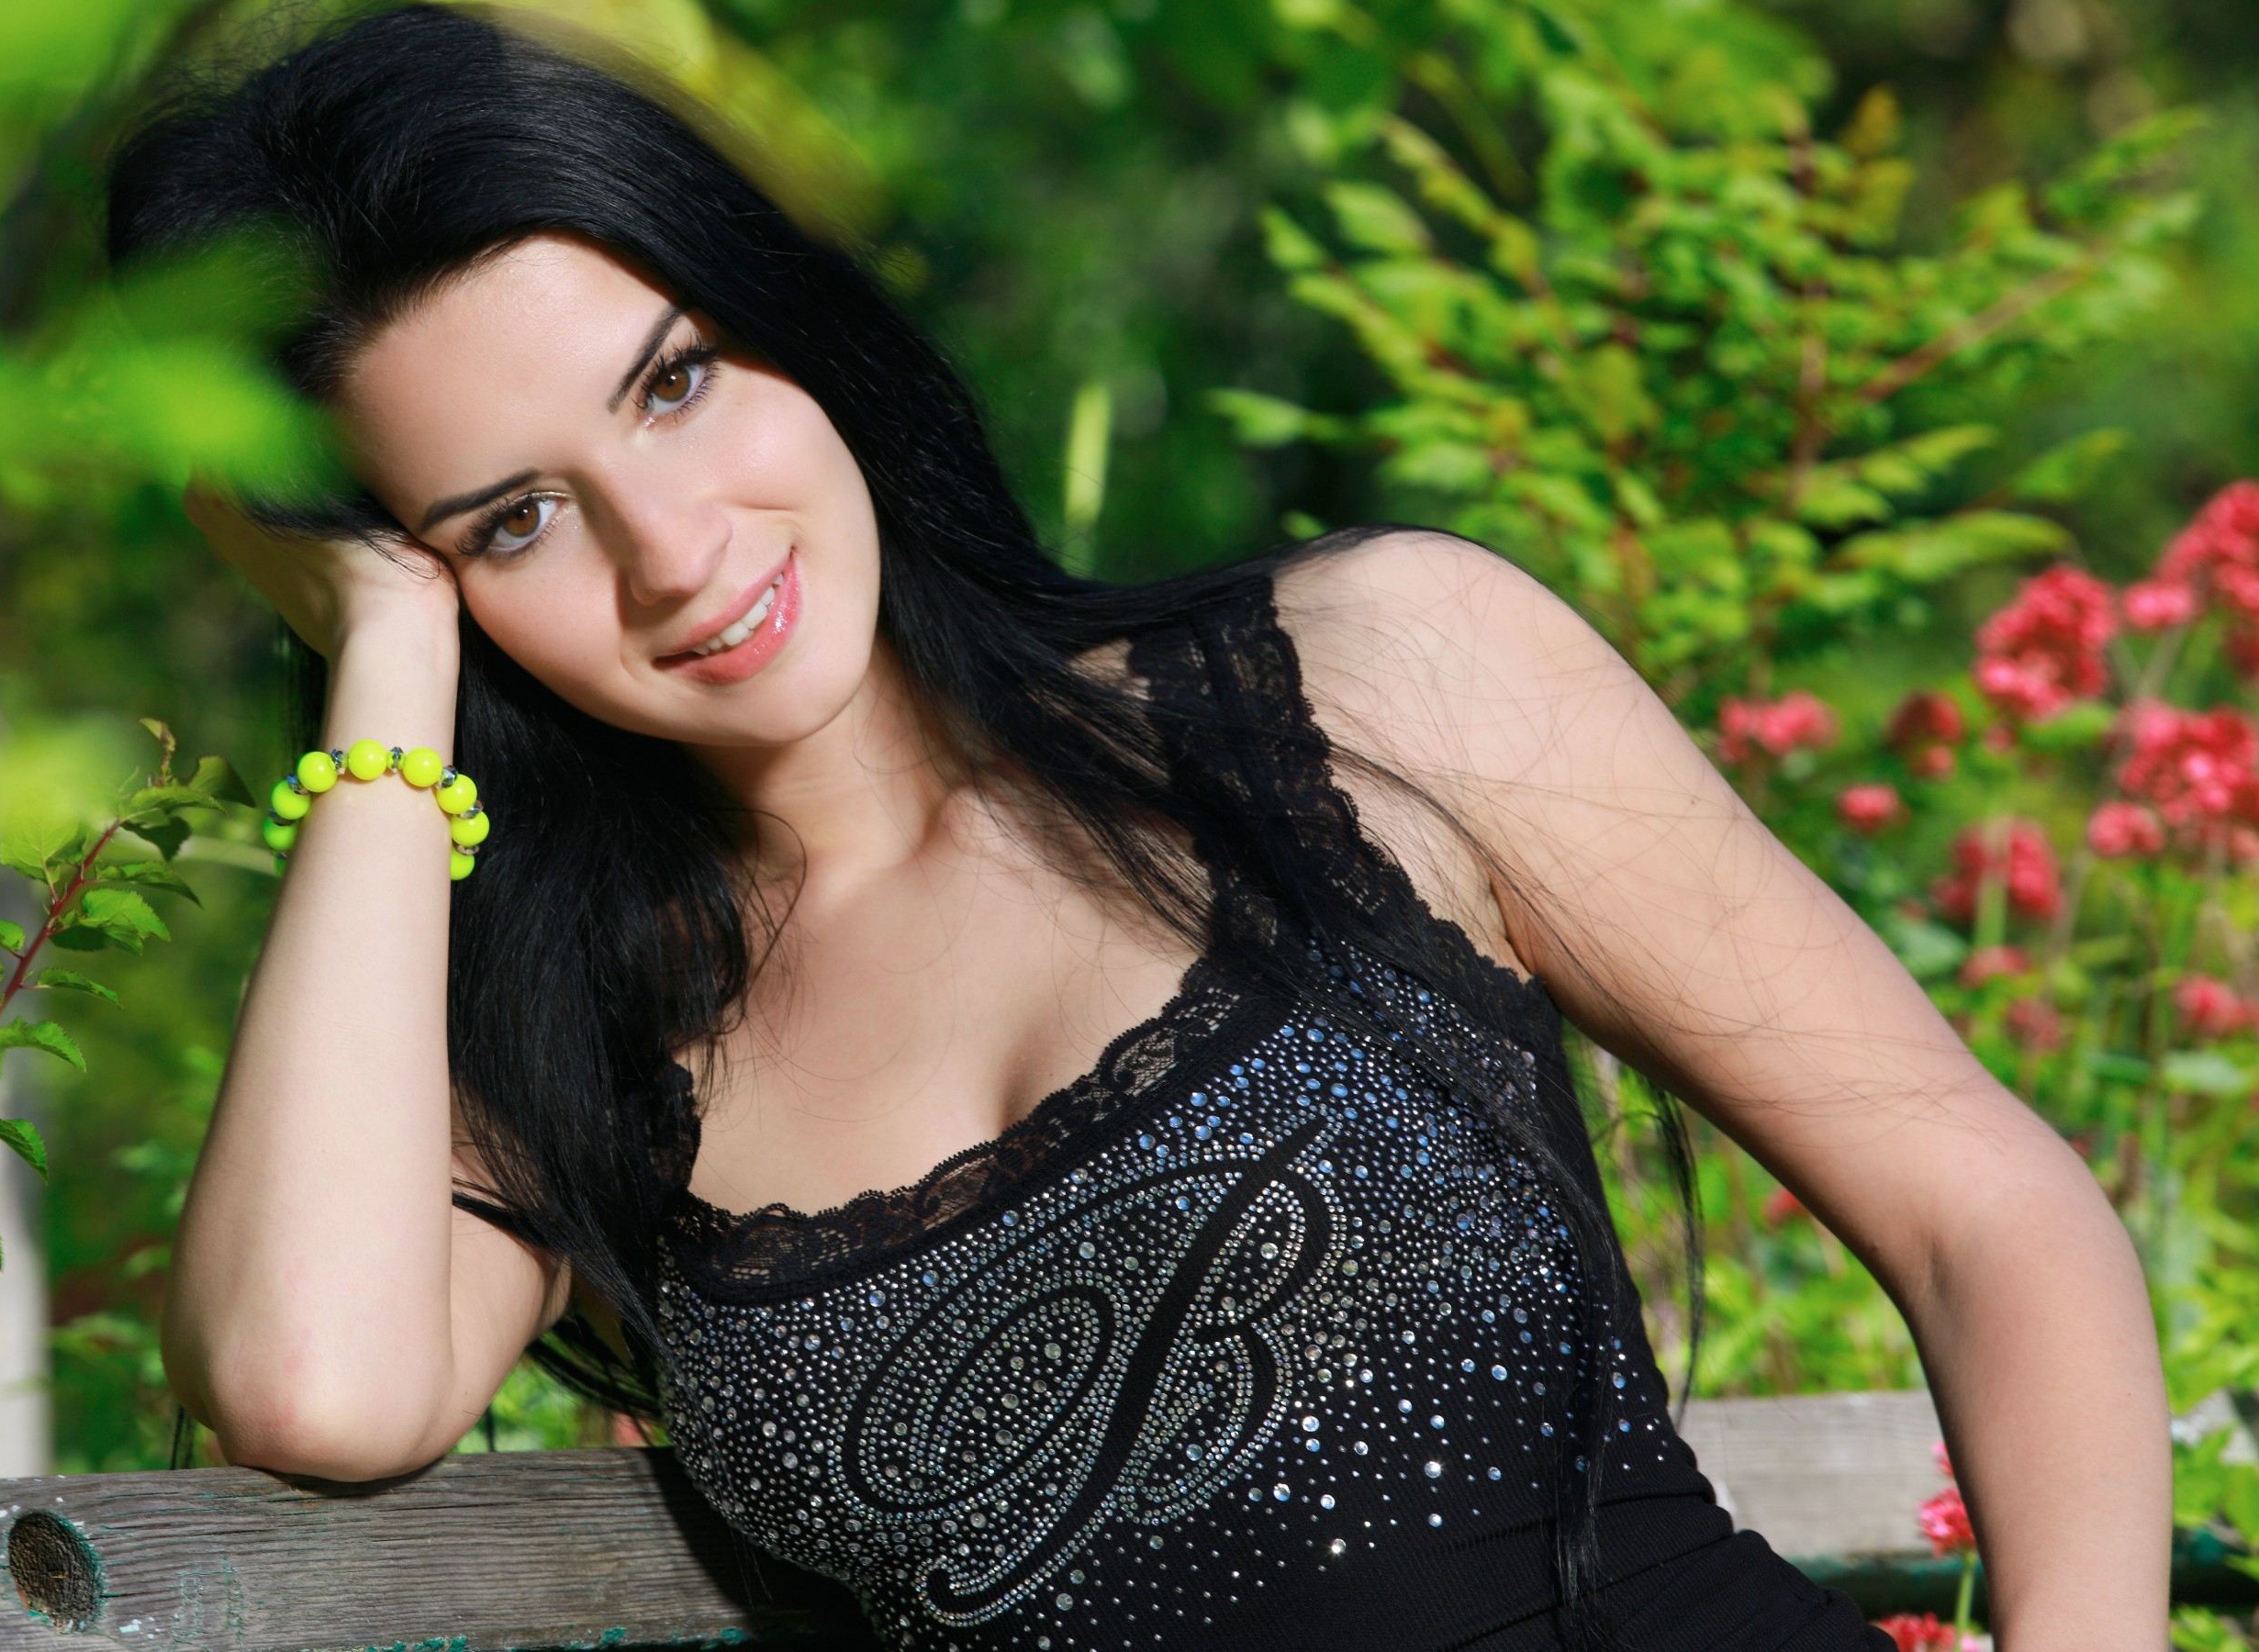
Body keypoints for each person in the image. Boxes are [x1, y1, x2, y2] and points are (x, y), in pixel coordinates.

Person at [108, 7, 2167, 1648]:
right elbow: (312, 1378)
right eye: (513, 522)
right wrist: (386, 664)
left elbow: (1980, 1213)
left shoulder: (1371, 684)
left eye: (675, 383)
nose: (675, 551)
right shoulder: (565, 1047)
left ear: (786, 326)